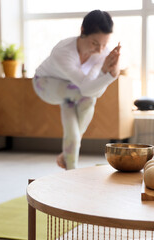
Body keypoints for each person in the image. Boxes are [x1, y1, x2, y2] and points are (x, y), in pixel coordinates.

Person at [32, 10, 121, 170]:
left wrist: (105, 73)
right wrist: (110, 76)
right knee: (85, 96)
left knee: (79, 109)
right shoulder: (63, 51)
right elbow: (88, 90)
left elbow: (94, 91)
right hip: (45, 84)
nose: (100, 50)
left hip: (74, 91)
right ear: (82, 31)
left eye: (104, 44)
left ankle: (69, 164)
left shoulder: (102, 54)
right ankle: (71, 164)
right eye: (95, 43)